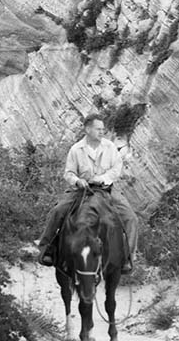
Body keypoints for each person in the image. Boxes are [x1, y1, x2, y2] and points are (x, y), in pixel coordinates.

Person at [36, 113, 139, 273]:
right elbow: (68, 173)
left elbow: (116, 169)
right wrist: (77, 181)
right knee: (57, 211)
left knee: (131, 218)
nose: (101, 132)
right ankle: (47, 248)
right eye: (98, 129)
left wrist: (102, 178)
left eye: (103, 129)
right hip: (81, 190)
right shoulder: (76, 149)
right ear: (88, 129)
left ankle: (127, 258)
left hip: (106, 189)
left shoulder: (110, 147)